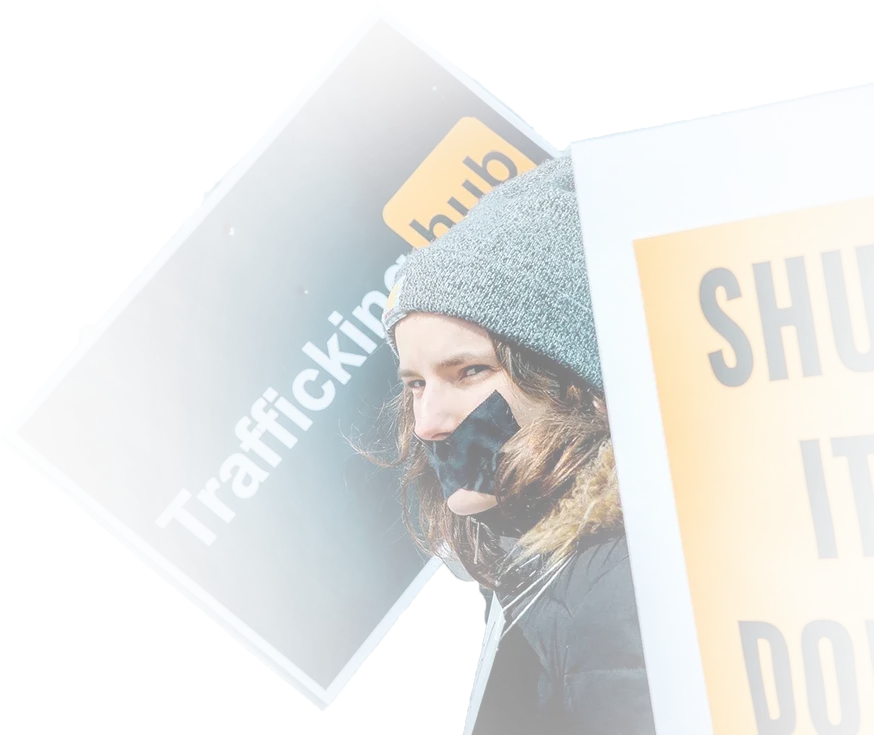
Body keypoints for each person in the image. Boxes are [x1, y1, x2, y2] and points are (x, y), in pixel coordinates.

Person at [361, 154, 655, 733]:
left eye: (468, 371)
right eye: (416, 384)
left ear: (575, 385)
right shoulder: (554, 571)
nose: (427, 422)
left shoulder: (616, 594)